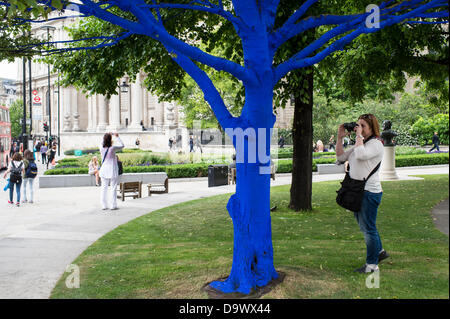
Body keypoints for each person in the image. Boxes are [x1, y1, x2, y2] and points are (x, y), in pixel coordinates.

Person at [336, 113, 389, 274]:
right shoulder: (362, 143)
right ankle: (379, 252)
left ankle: (372, 266)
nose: (359, 128)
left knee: (368, 228)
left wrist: (358, 136)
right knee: (364, 226)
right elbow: (340, 157)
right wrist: (339, 138)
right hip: (357, 191)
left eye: (363, 126)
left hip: (369, 192)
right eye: (357, 125)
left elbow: (360, 154)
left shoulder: (376, 144)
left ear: (372, 128)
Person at [99, 132, 124, 210]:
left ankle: (104, 205)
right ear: (110, 140)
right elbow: (122, 145)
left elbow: (101, 142)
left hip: (104, 169)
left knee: (104, 188)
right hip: (112, 169)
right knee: (113, 188)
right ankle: (113, 205)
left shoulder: (101, 147)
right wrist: (117, 137)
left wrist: (107, 135)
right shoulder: (112, 148)